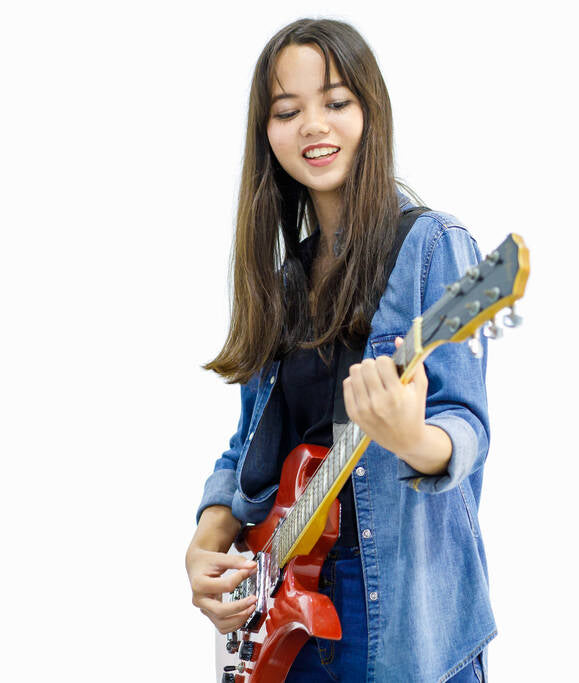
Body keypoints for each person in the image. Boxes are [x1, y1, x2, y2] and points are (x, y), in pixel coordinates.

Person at [184, 18, 494, 683]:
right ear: (266, 135)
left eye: (336, 102)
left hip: (403, 613)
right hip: (285, 613)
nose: (312, 126)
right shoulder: (282, 283)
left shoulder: (433, 249)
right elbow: (247, 445)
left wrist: (412, 436)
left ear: (369, 112)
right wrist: (209, 536)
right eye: (287, 111)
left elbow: (465, 427)